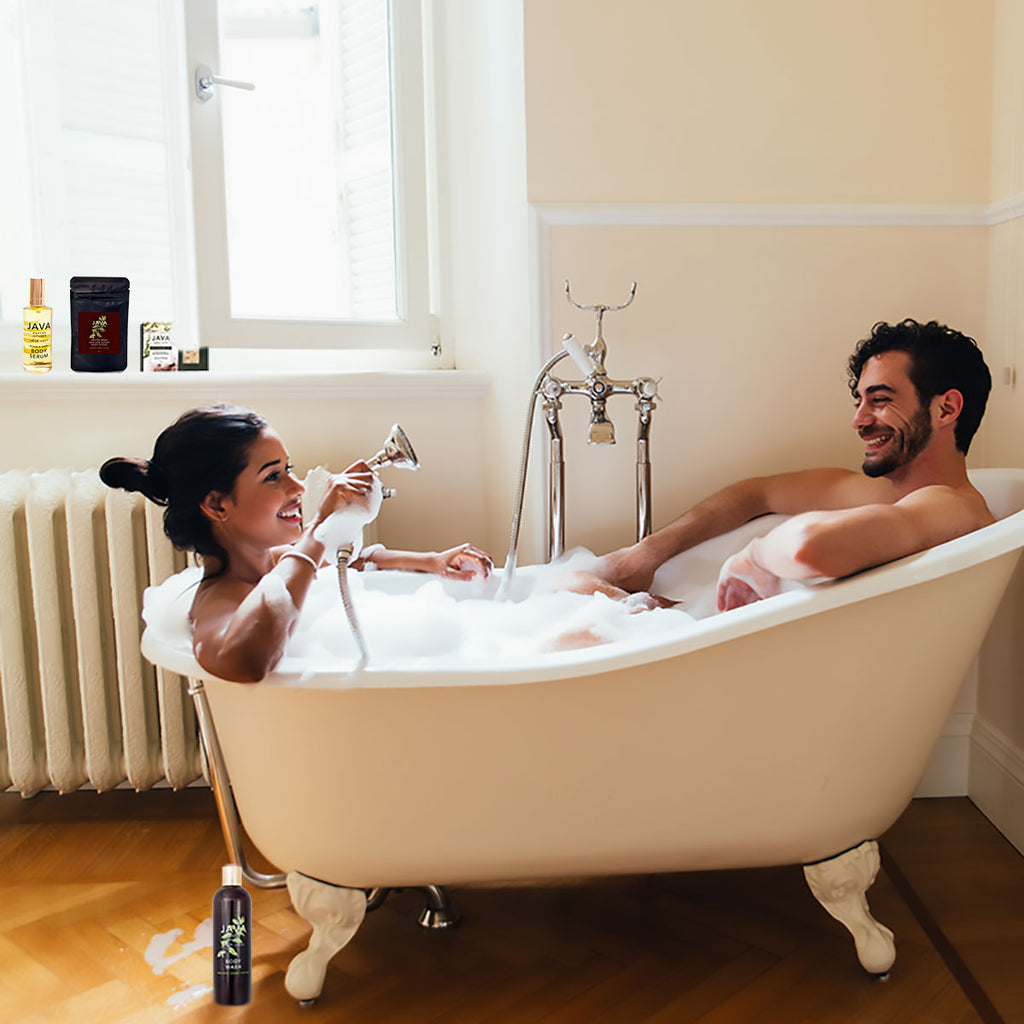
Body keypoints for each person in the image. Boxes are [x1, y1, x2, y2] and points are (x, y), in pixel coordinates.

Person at [598, 319, 994, 611]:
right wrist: (646, 554)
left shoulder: (950, 507)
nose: (858, 419)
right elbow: (757, 493)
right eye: (859, 401)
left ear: (947, 409)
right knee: (587, 587)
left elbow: (808, 546)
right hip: (758, 656)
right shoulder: (879, 491)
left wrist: (755, 555)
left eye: (880, 399)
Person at [101, 405, 492, 682]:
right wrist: (319, 528)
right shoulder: (219, 600)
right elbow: (244, 661)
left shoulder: (274, 562)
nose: (298, 487)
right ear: (218, 504)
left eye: (288, 469)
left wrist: (433, 562)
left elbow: (359, 561)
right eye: (273, 476)